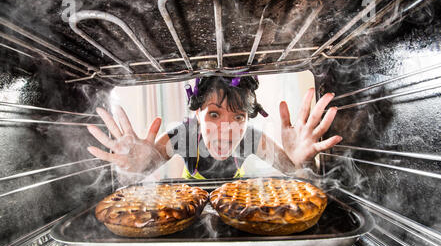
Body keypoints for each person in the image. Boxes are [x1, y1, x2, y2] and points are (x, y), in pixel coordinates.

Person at [86, 75, 342, 183]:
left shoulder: (251, 139)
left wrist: (304, 164)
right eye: (214, 114)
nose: (226, 130)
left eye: (238, 117)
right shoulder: (183, 136)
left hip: (237, 211)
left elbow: (302, 177)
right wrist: (134, 170)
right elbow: (135, 174)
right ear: (197, 113)